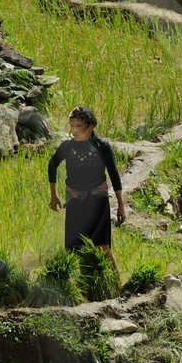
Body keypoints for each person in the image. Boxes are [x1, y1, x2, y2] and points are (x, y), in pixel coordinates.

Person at [47, 106, 126, 254]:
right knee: (74, 248)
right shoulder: (67, 147)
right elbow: (52, 164)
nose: (74, 130)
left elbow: (114, 174)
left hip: (98, 199)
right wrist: (53, 195)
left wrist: (121, 205)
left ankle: (115, 278)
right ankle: (84, 277)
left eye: (79, 126)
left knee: (102, 246)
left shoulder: (102, 147)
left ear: (90, 127)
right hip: (74, 199)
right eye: (72, 126)